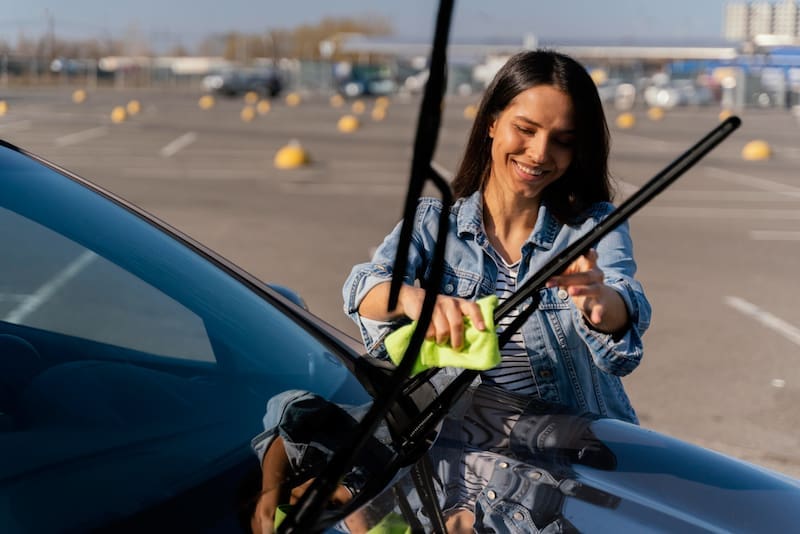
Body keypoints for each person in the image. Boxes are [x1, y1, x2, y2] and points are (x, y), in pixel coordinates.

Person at [342, 49, 651, 532]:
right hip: (464, 468)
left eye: (562, 141)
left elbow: (622, 315)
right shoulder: (433, 223)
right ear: (491, 122)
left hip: (572, 473)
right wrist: (412, 298)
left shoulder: (593, 228)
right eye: (525, 130)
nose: (540, 154)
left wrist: (596, 303)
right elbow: (364, 286)